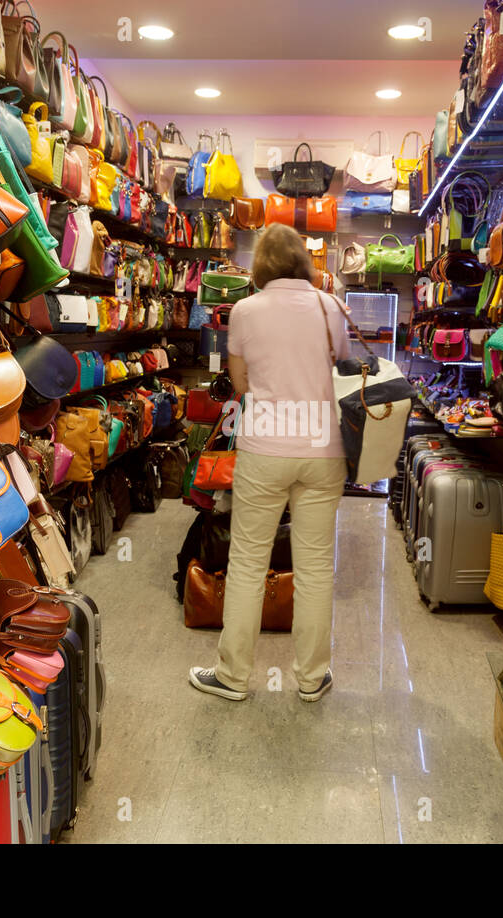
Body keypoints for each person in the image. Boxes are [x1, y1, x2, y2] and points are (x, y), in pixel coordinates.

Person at [189, 224, 350, 703]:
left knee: (246, 564)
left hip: (265, 450)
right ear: (302, 261)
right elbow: (344, 368)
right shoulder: (331, 306)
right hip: (323, 448)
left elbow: (239, 382)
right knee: (317, 567)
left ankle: (234, 677)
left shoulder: (244, 310)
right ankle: (311, 677)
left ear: (260, 265)